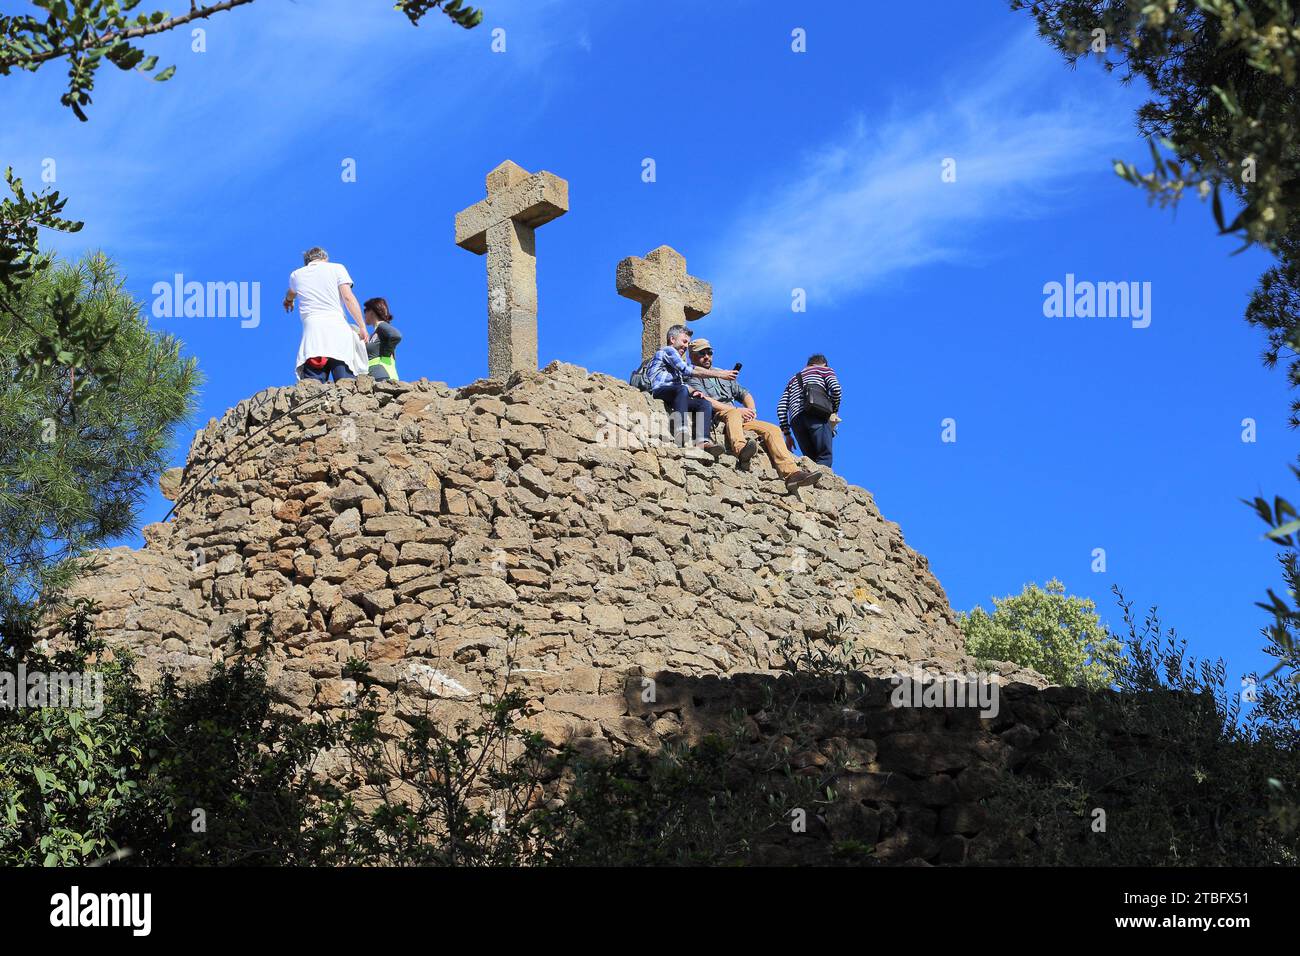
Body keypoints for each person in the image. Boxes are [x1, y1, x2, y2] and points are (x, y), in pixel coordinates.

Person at [687, 338, 822, 491]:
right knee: (732, 412)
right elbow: (706, 399)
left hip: (738, 417)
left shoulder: (722, 374)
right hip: (718, 415)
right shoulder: (693, 375)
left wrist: (751, 411)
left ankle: (791, 474)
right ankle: (741, 449)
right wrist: (737, 411)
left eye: (709, 353)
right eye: (701, 354)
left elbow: (744, 394)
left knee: (772, 429)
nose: (707, 357)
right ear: (692, 356)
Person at [282, 247, 368, 382]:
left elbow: (291, 292)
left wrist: (288, 301)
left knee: (313, 387)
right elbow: (348, 297)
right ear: (325, 258)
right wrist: (362, 326)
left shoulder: (296, 275)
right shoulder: (337, 268)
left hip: (313, 336)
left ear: (306, 262)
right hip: (338, 332)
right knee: (346, 383)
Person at [646, 324, 736, 450]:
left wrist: (694, 391)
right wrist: (721, 374)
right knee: (681, 389)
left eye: (687, 343)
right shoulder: (668, 351)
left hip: (674, 394)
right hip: (658, 390)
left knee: (704, 404)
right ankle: (680, 429)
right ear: (672, 339)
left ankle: (702, 441)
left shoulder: (676, 360)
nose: (686, 346)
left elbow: (690, 371)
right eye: (684, 341)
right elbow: (688, 370)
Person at [777, 354, 842, 468]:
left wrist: (787, 434)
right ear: (824, 364)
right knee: (824, 455)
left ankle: (809, 482)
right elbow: (836, 389)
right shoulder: (824, 370)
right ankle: (822, 483)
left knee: (810, 460)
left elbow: (781, 407)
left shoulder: (792, 380)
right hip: (816, 413)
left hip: (796, 421)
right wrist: (833, 411)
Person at [362, 297, 403, 381]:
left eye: (365, 311)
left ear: (372, 311)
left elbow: (396, 335)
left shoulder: (381, 326)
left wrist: (386, 351)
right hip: (374, 375)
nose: (364, 314)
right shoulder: (375, 333)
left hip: (383, 375)